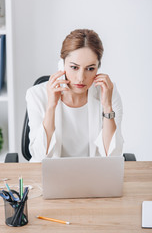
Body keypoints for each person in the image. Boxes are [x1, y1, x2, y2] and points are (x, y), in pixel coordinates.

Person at [26, 29, 124, 162]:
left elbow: (113, 156)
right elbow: (39, 156)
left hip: (94, 174)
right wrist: (51, 106)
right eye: (74, 67)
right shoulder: (36, 95)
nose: (81, 78)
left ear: (98, 68)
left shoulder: (108, 92)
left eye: (90, 69)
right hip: (53, 175)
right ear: (62, 65)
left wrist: (107, 106)